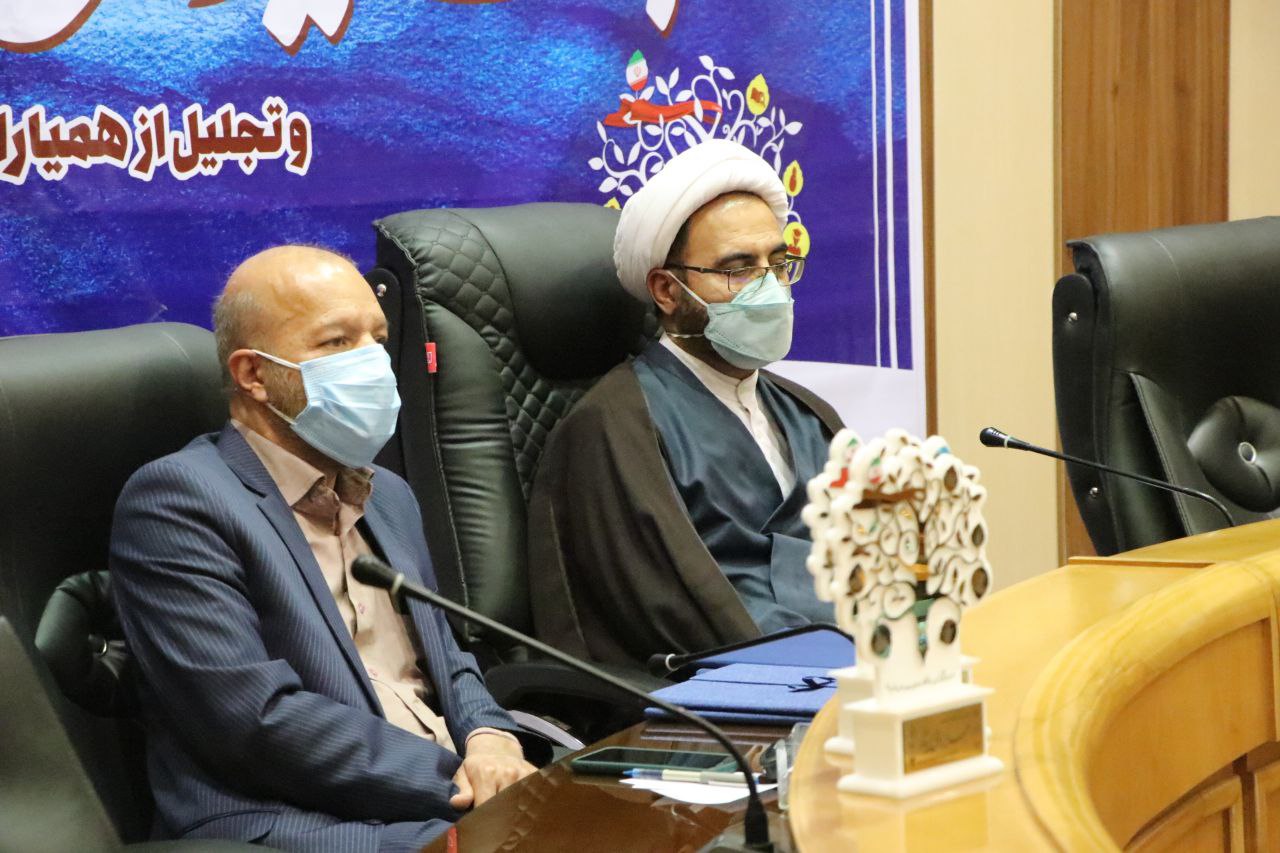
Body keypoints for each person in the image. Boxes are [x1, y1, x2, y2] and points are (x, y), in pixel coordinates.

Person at [110, 245, 535, 851]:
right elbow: (254, 722)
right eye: (337, 342)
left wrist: (493, 740)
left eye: (378, 339)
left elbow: (448, 659)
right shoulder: (177, 501)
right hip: (299, 823)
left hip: (446, 803)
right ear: (254, 375)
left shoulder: (387, 495)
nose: (372, 362)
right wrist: (464, 784)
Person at [529, 140, 843, 667]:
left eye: (778, 263)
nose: (769, 287)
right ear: (667, 290)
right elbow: (673, 607)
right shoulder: (615, 428)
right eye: (738, 269)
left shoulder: (808, 415)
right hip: (733, 690)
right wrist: (825, 662)